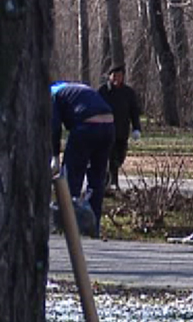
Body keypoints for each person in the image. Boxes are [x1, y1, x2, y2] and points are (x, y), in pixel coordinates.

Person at [51, 82, 115, 237]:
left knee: (71, 178)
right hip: (109, 124)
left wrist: (55, 155)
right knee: (96, 181)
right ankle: (94, 228)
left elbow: (54, 127)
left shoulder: (52, 95)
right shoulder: (76, 89)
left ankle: (70, 226)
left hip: (86, 126)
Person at [98, 64, 141, 192]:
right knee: (112, 157)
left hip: (122, 131)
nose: (117, 78)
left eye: (120, 76)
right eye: (115, 76)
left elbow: (134, 111)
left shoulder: (128, 93)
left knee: (120, 157)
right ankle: (112, 183)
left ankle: (107, 179)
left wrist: (136, 128)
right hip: (106, 130)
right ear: (110, 77)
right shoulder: (103, 92)